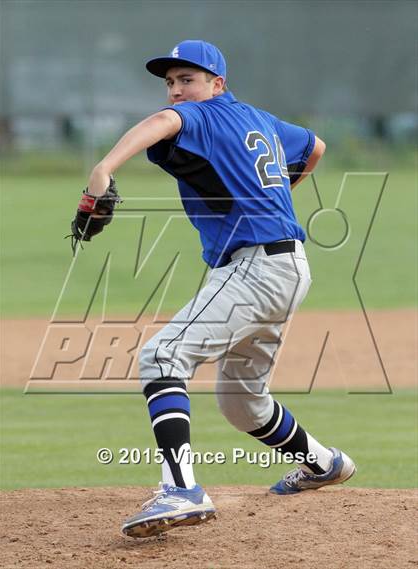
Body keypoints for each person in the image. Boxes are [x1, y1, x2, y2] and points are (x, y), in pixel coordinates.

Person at [75, 40, 356, 538]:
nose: (176, 91)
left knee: (162, 357)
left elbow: (162, 124)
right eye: (170, 82)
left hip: (256, 269)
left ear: (217, 84)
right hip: (286, 267)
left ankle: (181, 488)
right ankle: (324, 463)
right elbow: (315, 148)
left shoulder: (202, 116)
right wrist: (279, 195)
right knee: (242, 403)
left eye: (188, 79)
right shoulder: (259, 120)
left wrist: (104, 168)